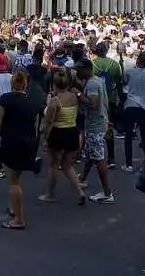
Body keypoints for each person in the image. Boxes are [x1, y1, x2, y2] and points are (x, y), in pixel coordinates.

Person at [0, 70, 40, 230]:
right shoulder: (32, 101)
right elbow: (35, 125)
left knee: (13, 182)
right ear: (26, 84)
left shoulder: (5, 99)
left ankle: (18, 219)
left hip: (10, 142)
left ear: (13, 84)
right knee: (16, 179)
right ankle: (14, 208)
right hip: (27, 142)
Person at [39, 67, 86, 204]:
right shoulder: (73, 97)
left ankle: (50, 194)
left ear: (54, 84)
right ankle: (80, 191)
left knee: (54, 165)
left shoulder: (54, 101)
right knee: (67, 165)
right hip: (72, 131)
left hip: (58, 133)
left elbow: (49, 122)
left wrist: (44, 139)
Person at [79, 57, 116, 204]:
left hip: (96, 125)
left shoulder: (93, 83)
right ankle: (83, 178)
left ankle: (107, 193)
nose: (78, 73)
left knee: (98, 159)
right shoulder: (97, 80)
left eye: (80, 70)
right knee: (90, 153)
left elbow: (93, 104)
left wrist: (78, 96)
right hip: (98, 122)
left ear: (87, 70)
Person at [121, 51, 145, 173]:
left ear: (137, 61)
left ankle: (128, 164)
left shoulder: (130, 72)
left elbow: (124, 82)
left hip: (130, 105)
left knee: (128, 136)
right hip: (144, 107)